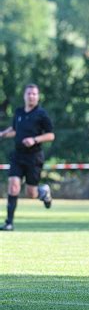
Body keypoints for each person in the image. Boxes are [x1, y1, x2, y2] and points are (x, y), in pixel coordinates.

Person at [0, 84, 54, 231]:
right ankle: (9, 223)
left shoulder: (41, 114)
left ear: (38, 97)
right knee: (13, 186)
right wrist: (3, 134)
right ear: (24, 95)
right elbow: (15, 130)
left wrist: (34, 140)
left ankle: (43, 192)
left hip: (34, 157)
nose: (31, 96)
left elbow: (50, 135)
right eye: (29, 93)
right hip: (18, 155)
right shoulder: (18, 112)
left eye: (34, 94)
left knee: (31, 193)